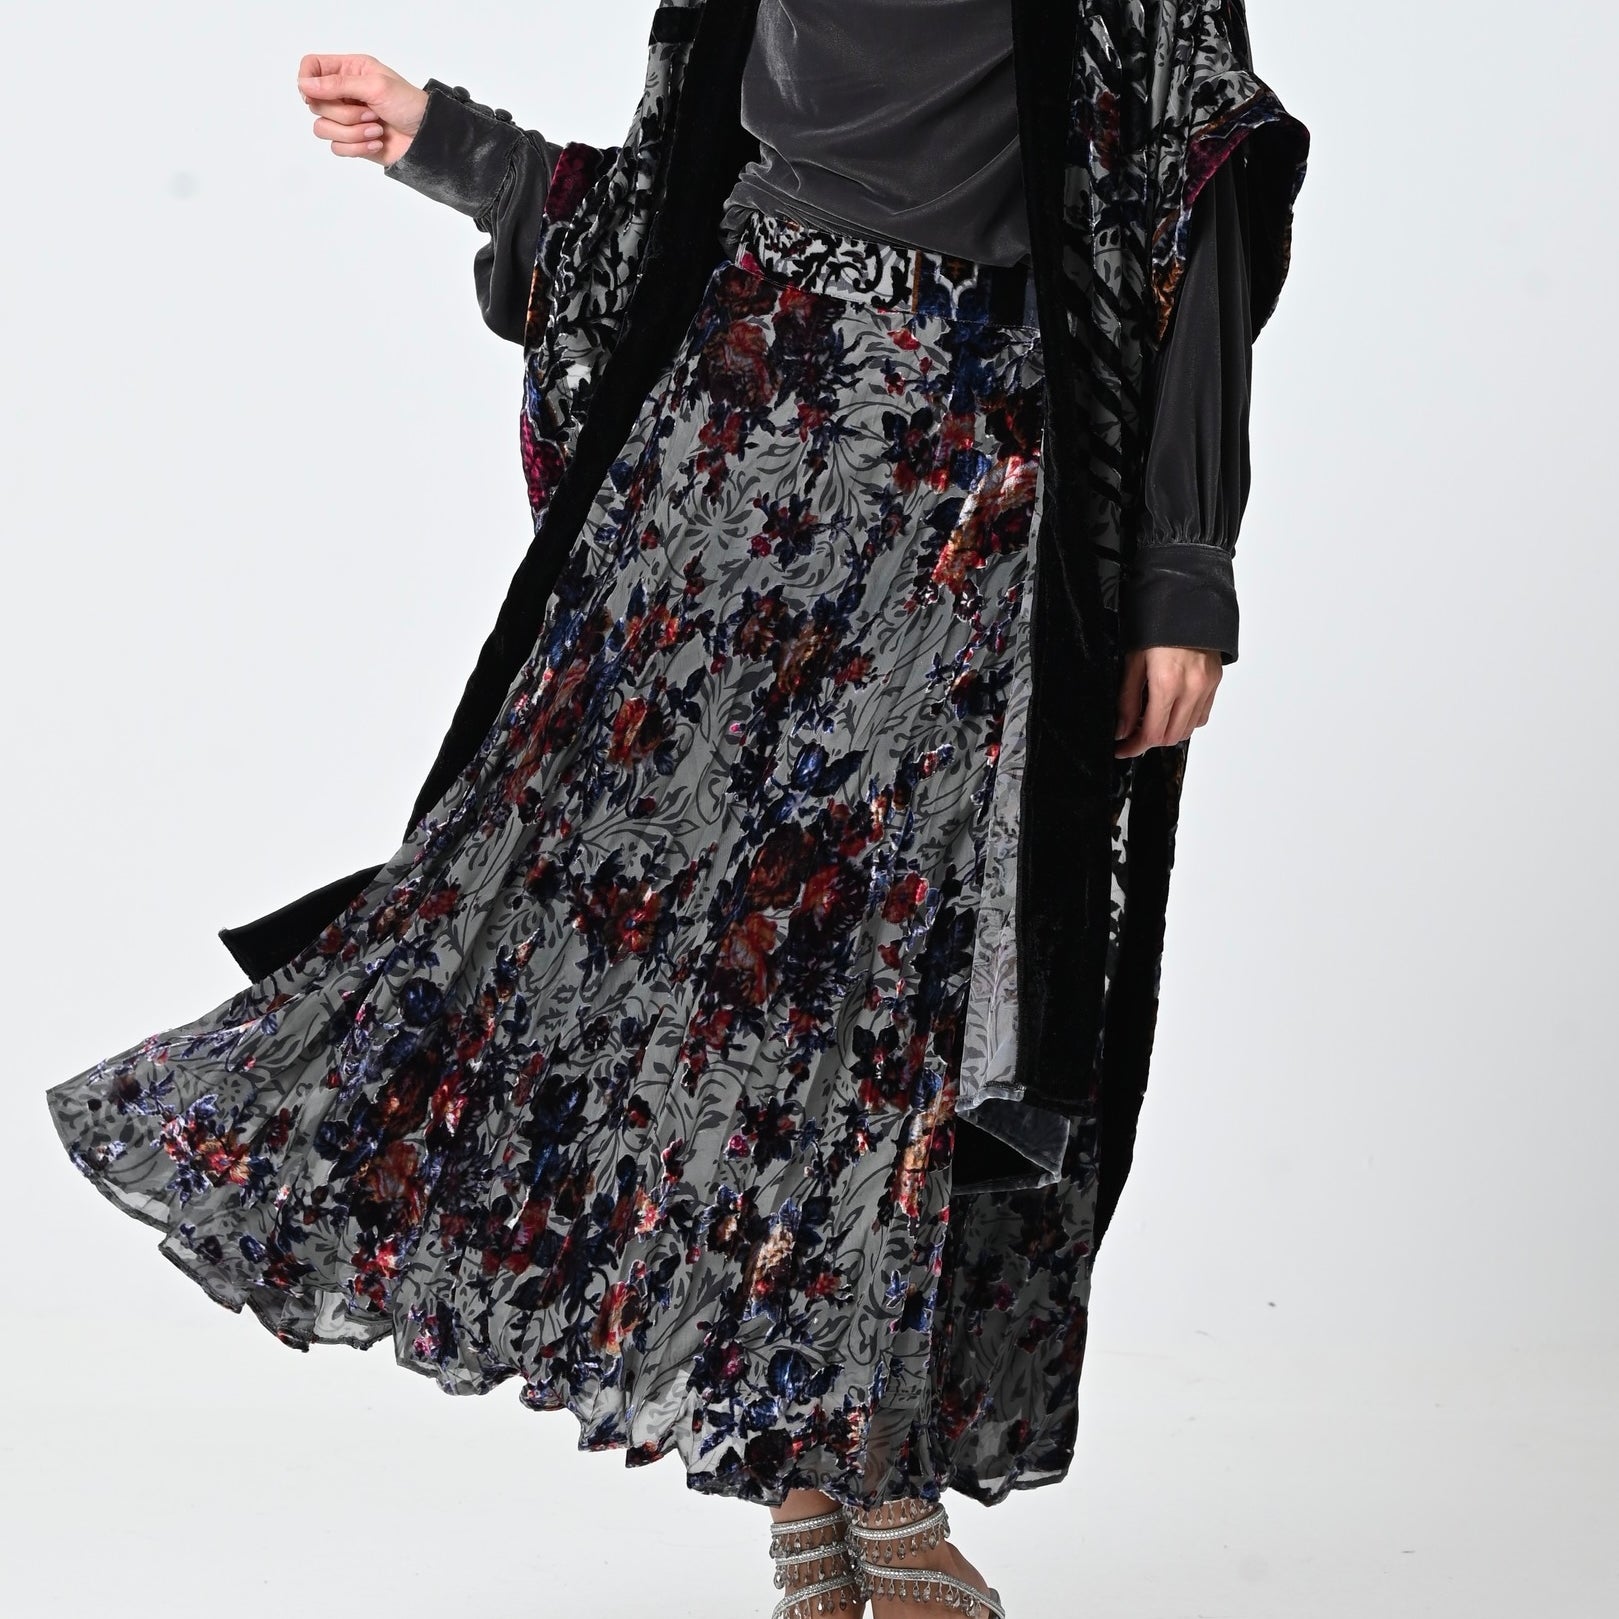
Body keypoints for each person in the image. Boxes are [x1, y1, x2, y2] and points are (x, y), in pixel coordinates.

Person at [45, 5, 1307, 1615]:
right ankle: (825, 1498)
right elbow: (663, 209)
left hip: (968, 496)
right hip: (721, 463)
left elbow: (1197, 187)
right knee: (706, 992)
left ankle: (871, 1484)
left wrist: (1184, 566)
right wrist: (451, 140)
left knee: (903, 1001)